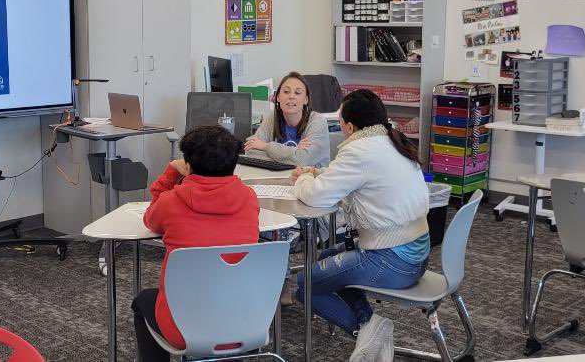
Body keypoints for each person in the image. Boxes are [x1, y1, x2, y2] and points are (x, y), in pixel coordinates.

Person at [290, 89, 429, 360]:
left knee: (303, 285)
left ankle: (368, 329)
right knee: (329, 256)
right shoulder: (392, 140)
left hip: (391, 262)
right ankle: (368, 322)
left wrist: (303, 179)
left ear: (350, 127)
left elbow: (316, 196)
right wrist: (317, 173)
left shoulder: (358, 151)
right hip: (415, 256)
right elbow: (360, 177)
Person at [132, 126, 260, 361]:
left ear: (188, 165)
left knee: (144, 300)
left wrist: (172, 171)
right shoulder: (249, 198)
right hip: (243, 322)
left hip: (183, 328)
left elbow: (150, 219)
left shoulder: (170, 202)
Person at [244, 72, 330, 168]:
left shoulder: (317, 121)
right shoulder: (273, 117)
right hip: (278, 176)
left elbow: (303, 159)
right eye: (286, 92)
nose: (291, 96)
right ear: (278, 97)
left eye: (297, 93)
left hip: (311, 176)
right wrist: (295, 151)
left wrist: (265, 146)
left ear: (306, 100)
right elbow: (250, 150)